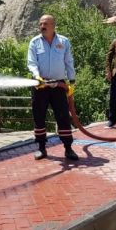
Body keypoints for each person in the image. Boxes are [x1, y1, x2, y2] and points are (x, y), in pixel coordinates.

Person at [27, 15, 79, 161]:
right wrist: (37, 77)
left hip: (59, 85)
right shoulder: (34, 42)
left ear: (53, 25)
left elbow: (69, 61)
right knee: (39, 116)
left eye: (45, 23)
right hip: (40, 85)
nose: (42, 26)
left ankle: (68, 148)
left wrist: (72, 82)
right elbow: (31, 63)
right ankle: (42, 148)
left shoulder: (64, 42)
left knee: (63, 115)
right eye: (40, 23)